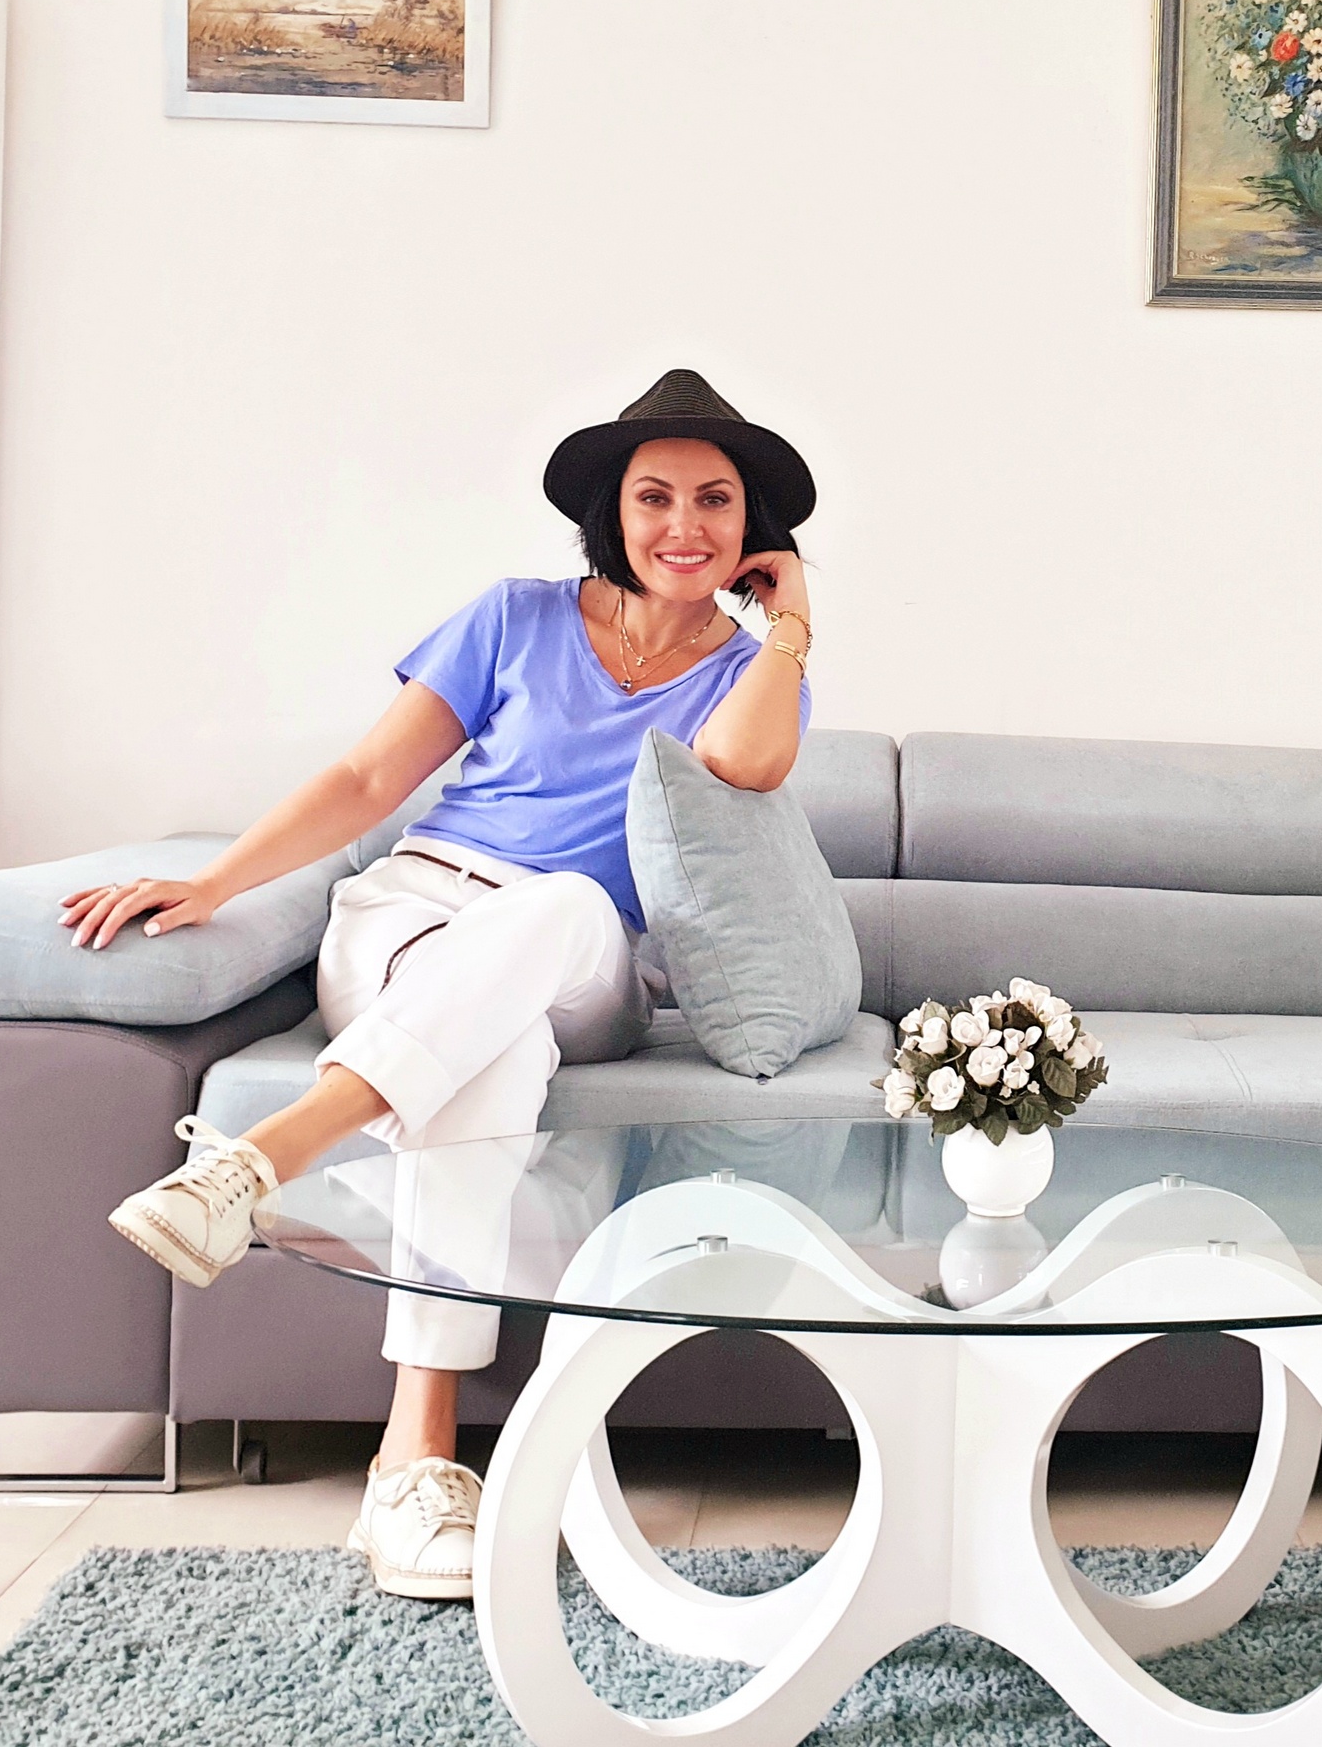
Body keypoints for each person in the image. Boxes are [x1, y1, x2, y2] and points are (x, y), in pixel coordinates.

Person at [75, 369, 815, 1600]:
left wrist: (790, 626)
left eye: (714, 501)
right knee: (492, 1053)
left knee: (561, 906)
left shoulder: (750, 672)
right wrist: (214, 883)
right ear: (612, 511)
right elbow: (371, 782)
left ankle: (259, 1161)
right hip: (416, 919)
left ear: (752, 530)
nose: (683, 525)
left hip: (582, 956)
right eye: (655, 497)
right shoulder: (513, 619)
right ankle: (412, 1464)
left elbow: (744, 766)